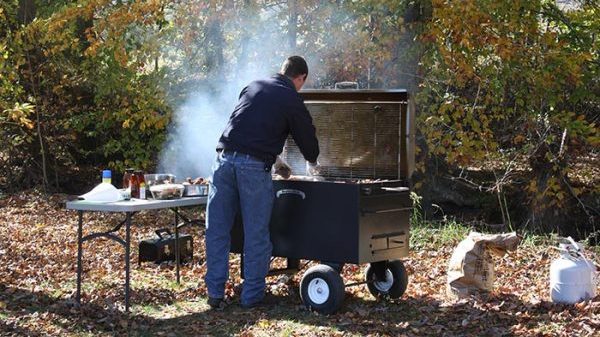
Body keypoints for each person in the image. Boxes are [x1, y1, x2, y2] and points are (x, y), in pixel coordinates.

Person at [205, 56, 320, 309]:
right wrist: (312, 161)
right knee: (256, 233)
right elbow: (306, 136)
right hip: (252, 169)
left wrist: (277, 160)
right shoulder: (291, 97)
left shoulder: (253, 86)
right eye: (302, 83)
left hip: (222, 161)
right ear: (300, 78)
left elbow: (246, 129)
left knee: (217, 230)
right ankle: (252, 297)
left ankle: (215, 294)